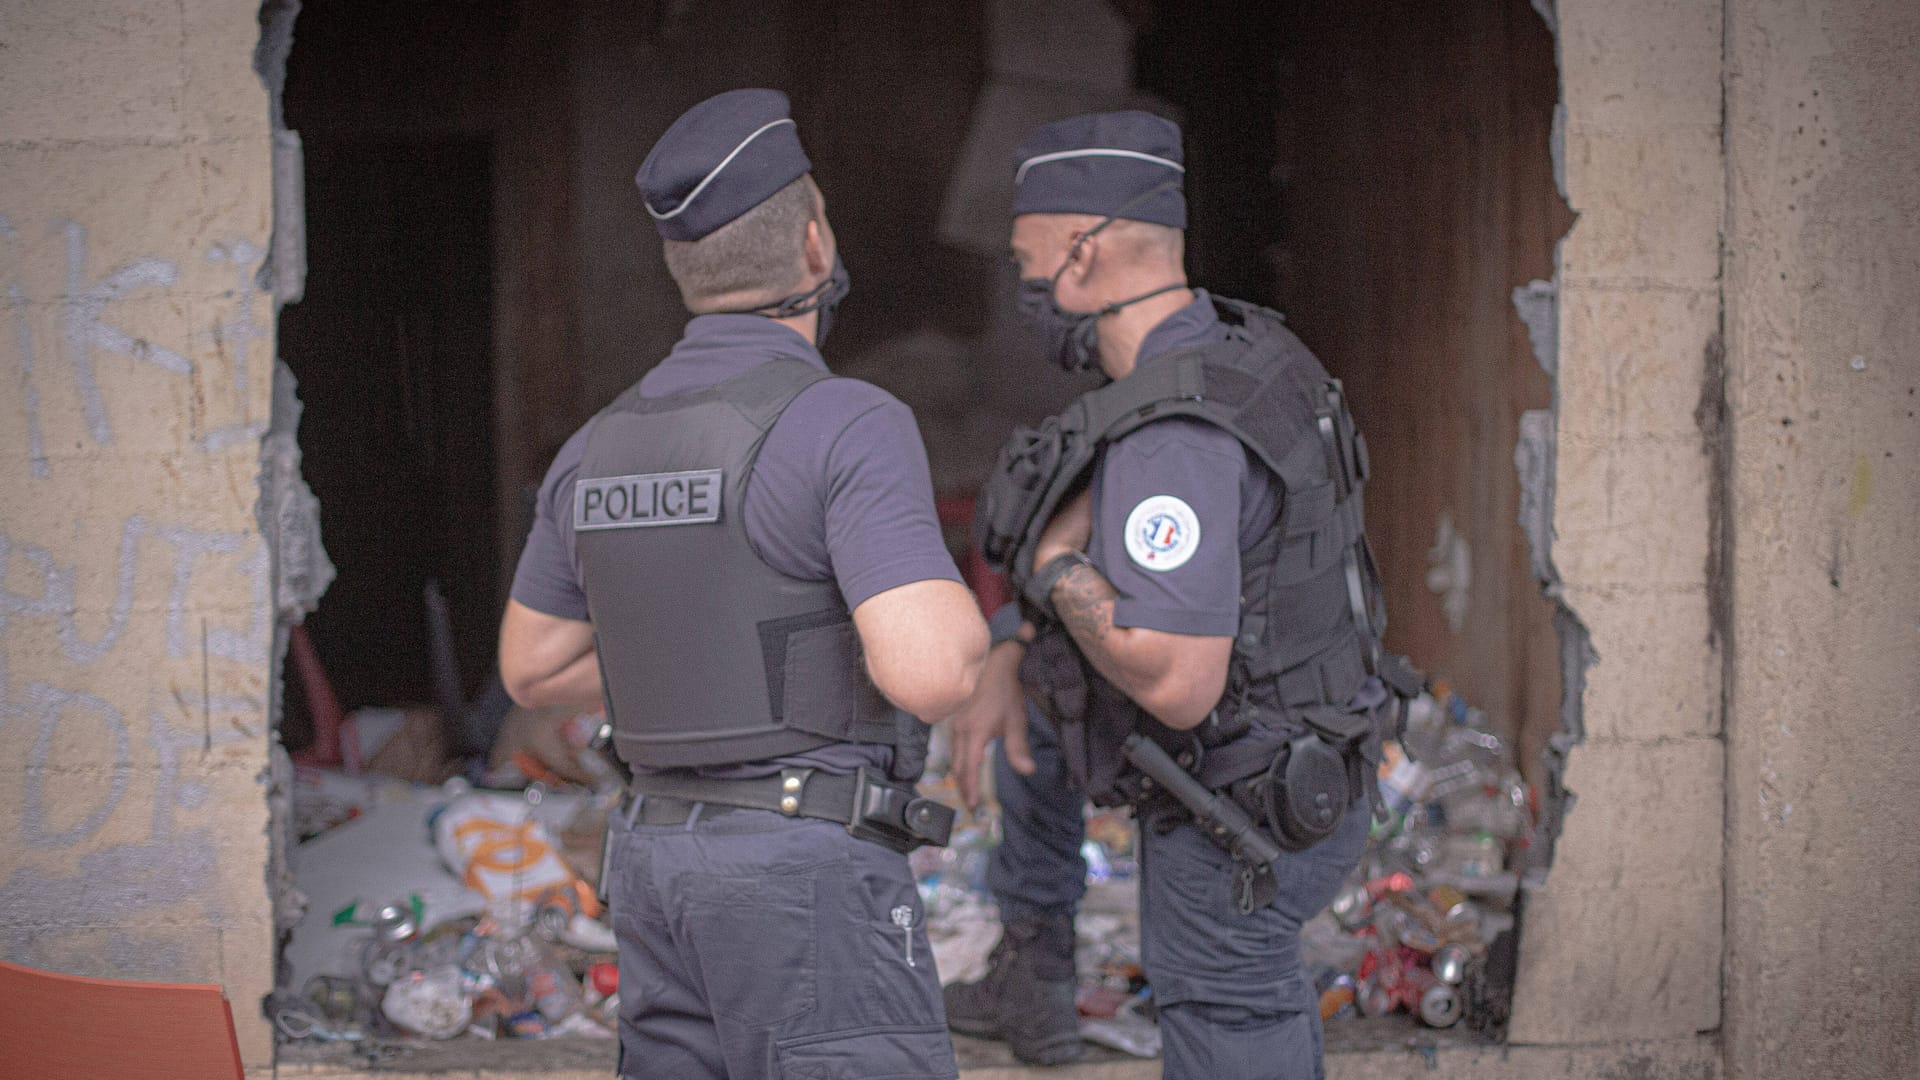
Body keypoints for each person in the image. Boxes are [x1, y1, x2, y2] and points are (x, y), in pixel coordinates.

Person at [498, 88, 988, 1080]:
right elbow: (931, 672)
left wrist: (698, 647)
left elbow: (532, 668)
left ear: (684, 270)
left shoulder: (597, 446)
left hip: (654, 863)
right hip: (803, 874)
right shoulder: (848, 421)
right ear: (815, 246)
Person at [945, 111, 1411, 1079]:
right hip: (1317, 757)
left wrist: (1053, 569)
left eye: (1031, 264)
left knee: (1233, 1017)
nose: (1027, 287)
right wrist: (1010, 644)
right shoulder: (1254, 353)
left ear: (1084, 255)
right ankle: (1032, 975)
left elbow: (1176, 679)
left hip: (1240, 815)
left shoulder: (1173, 436)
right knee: (1038, 668)